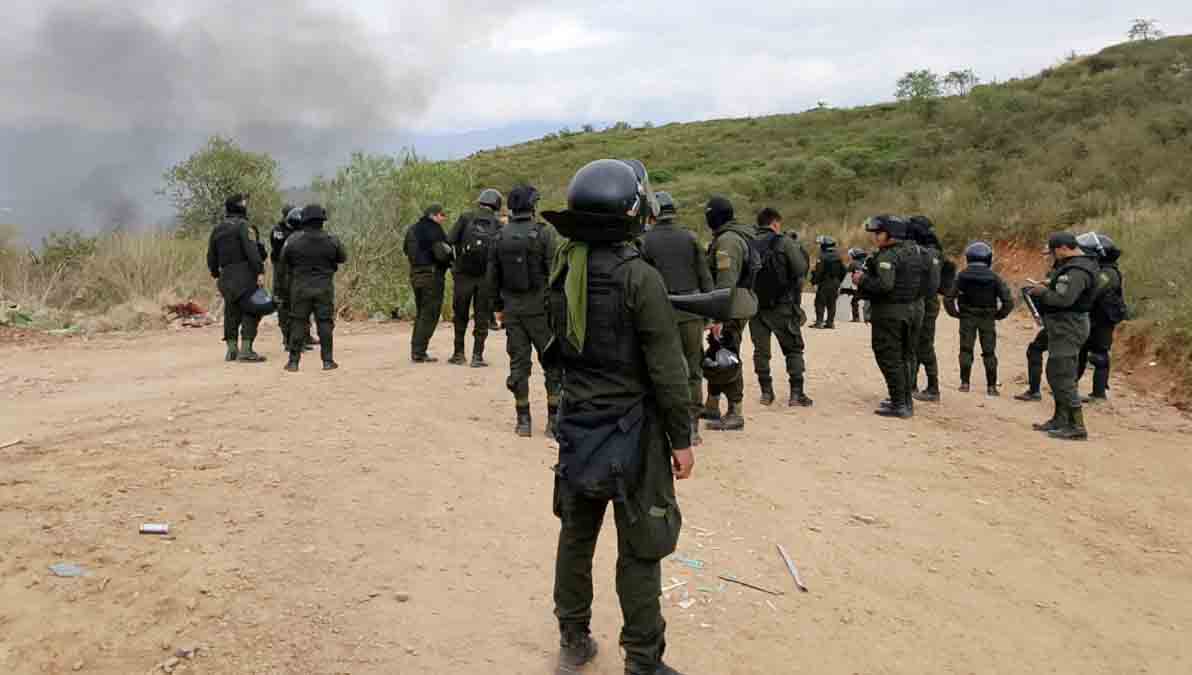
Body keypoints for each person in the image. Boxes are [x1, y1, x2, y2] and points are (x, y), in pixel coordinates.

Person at [542, 158, 693, 675]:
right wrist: (682, 438)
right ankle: (644, 662)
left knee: (576, 536)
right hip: (634, 434)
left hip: (579, 425)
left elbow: (556, 350)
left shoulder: (564, 269)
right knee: (641, 549)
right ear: (633, 210)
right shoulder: (639, 279)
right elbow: (669, 371)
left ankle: (573, 638)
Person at [487, 185, 562, 437]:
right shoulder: (544, 233)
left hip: (513, 311)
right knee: (552, 363)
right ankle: (553, 423)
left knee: (518, 365)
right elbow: (556, 274)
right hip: (541, 310)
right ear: (532, 206)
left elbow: (492, 278)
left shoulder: (499, 236)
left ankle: (523, 421)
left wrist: (498, 308)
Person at [640, 191, 714, 445]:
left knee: (662, 370)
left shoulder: (645, 241)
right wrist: (712, 316)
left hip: (659, 313)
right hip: (692, 311)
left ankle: (666, 424)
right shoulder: (690, 238)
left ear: (653, 213)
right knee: (693, 370)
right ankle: (692, 426)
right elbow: (706, 279)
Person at [1024, 232, 1099, 440]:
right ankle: (1060, 419)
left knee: (1063, 375)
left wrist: (1041, 292)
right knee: (1055, 372)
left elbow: (1064, 300)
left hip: (1068, 326)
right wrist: (1050, 284)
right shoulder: (1081, 265)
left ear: (1063, 249)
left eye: (1054, 253)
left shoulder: (1077, 270)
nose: (1054, 258)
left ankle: (1077, 426)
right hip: (1064, 326)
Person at [853, 215, 923, 418]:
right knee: (904, 357)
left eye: (879, 233)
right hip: (911, 310)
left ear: (891, 234)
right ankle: (904, 400)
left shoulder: (887, 256)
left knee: (889, 357)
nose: (875, 237)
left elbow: (884, 285)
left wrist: (862, 279)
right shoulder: (915, 251)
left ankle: (899, 404)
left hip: (889, 313)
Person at [700, 196, 758, 431]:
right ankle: (712, 404)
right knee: (716, 352)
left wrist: (719, 318)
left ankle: (736, 412)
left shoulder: (728, 241)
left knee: (727, 355)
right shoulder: (730, 236)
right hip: (731, 306)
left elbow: (725, 282)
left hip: (730, 308)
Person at [748, 207, 814, 407]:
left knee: (761, 352)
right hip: (782, 306)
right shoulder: (784, 242)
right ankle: (796, 393)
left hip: (756, 308)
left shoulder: (748, 243)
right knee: (793, 349)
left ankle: (766, 393)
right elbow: (801, 269)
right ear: (775, 223)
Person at [281, 204, 347, 372]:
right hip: (323, 287)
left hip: (300, 287)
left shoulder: (293, 240)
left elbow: (284, 260)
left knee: (298, 322)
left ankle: (293, 362)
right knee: (324, 323)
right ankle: (327, 361)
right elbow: (342, 257)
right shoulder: (332, 240)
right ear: (321, 221)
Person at [944, 242, 1014, 395]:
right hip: (988, 317)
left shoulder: (962, 275)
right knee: (989, 352)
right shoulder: (995, 277)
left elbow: (949, 298)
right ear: (988, 258)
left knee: (965, 350)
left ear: (969, 257)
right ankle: (991, 387)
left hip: (967, 316)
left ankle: (964, 384)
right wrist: (998, 315)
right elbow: (1008, 301)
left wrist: (955, 313)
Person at [206, 193, 267, 363]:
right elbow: (252, 252)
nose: (246, 204)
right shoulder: (244, 226)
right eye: (244, 202)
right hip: (245, 274)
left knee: (231, 312)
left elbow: (211, 256)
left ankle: (231, 350)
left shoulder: (218, 229)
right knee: (252, 310)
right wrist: (259, 271)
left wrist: (216, 274)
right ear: (240, 207)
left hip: (226, 276)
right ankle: (246, 350)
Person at [447, 189, 503, 367]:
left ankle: (458, 353)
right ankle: (477, 357)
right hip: (485, 277)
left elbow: (449, 240)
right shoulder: (498, 224)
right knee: (482, 317)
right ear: (496, 205)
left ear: (480, 201)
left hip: (463, 275)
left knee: (460, 314)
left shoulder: (465, 217)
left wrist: (455, 265)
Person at [1075, 233, 1127, 403]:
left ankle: (1098, 394)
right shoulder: (1099, 270)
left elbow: (1094, 291)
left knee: (1099, 354)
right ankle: (1070, 387)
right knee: (1080, 351)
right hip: (1093, 316)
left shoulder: (1108, 273)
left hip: (1103, 319)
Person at [404, 204, 454, 362]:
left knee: (421, 313)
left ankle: (416, 350)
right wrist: (450, 261)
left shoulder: (412, 229)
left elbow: (406, 249)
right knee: (430, 314)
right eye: (442, 215)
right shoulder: (435, 230)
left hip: (415, 274)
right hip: (432, 276)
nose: (443, 218)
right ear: (434, 215)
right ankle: (419, 352)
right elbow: (441, 253)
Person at [907, 216, 943, 402]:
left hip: (926, 303)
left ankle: (933, 387)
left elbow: (932, 284)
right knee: (913, 344)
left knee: (924, 345)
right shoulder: (929, 250)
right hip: (922, 302)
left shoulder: (931, 253)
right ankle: (911, 384)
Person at [271, 205, 312, 352]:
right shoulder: (279, 230)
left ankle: (301, 337)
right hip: (283, 272)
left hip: (296, 273)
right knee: (285, 304)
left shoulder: (300, 234)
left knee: (299, 304)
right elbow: (277, 248)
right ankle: (289, 339)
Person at [811, 236, 846, 328]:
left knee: (819, 302)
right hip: (835, 282)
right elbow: (844, 271)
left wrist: (814, 282)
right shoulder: (838, 256)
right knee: (832, 302)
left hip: (824, 282)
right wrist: (839, 281)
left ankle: (819, 322)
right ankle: (830, 323)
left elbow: (819, 271)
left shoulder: (822, 257)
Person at [842, 247, 869, 323]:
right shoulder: (866, 262)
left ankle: (856, 318)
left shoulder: (853, 263)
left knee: (854, 301)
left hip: (861, 286)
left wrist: (844, 288)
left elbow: (847, 275)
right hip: (869, 285)